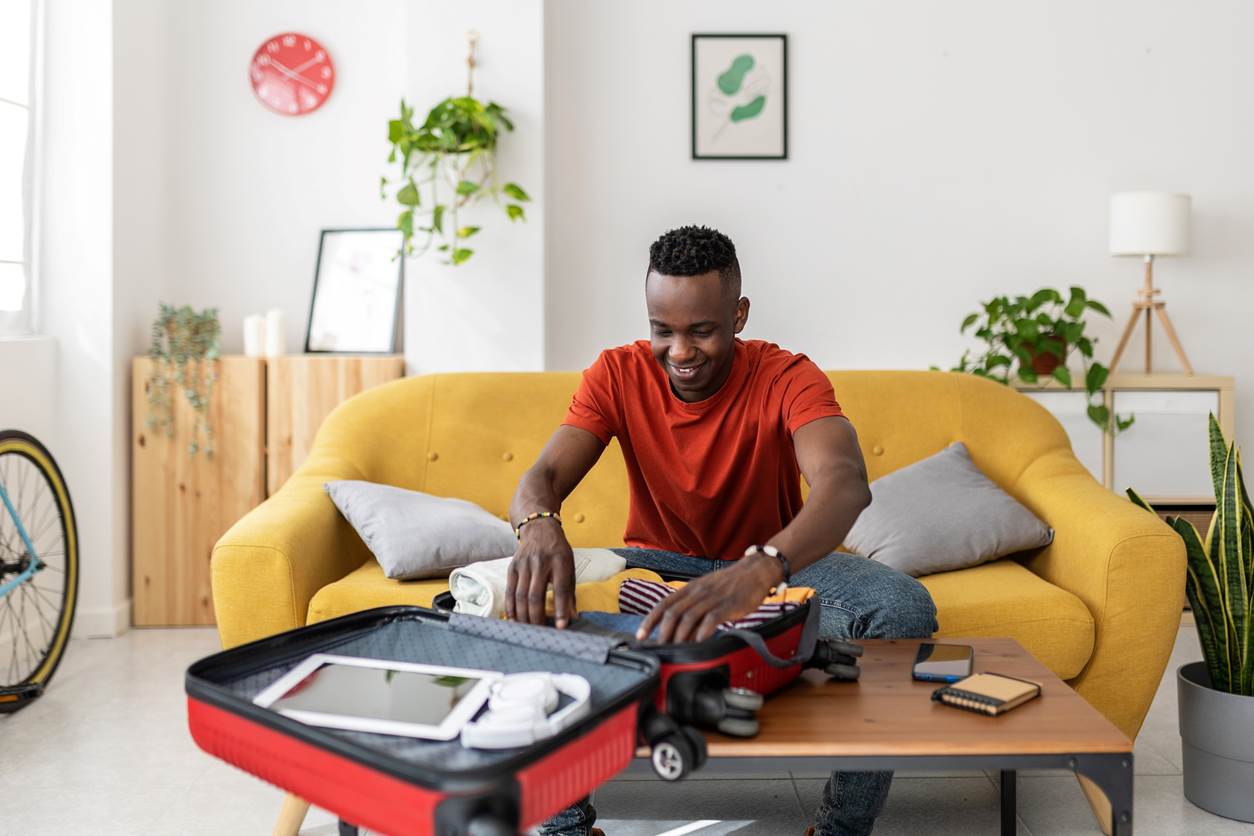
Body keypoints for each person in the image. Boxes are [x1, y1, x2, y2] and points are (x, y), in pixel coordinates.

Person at [506, 225, 938, 836]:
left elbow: (844, 482)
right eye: (663, 330)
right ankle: (566, 831)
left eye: (701, 331)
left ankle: (841, 831)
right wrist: (539, 523)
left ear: (738, 315)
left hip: (777, 566)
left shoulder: (789, 375)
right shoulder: (616, 372)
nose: (679, 351)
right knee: (523, 600)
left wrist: (760, 569)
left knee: (902, 608)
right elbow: (541, 476)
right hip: (657, 566)